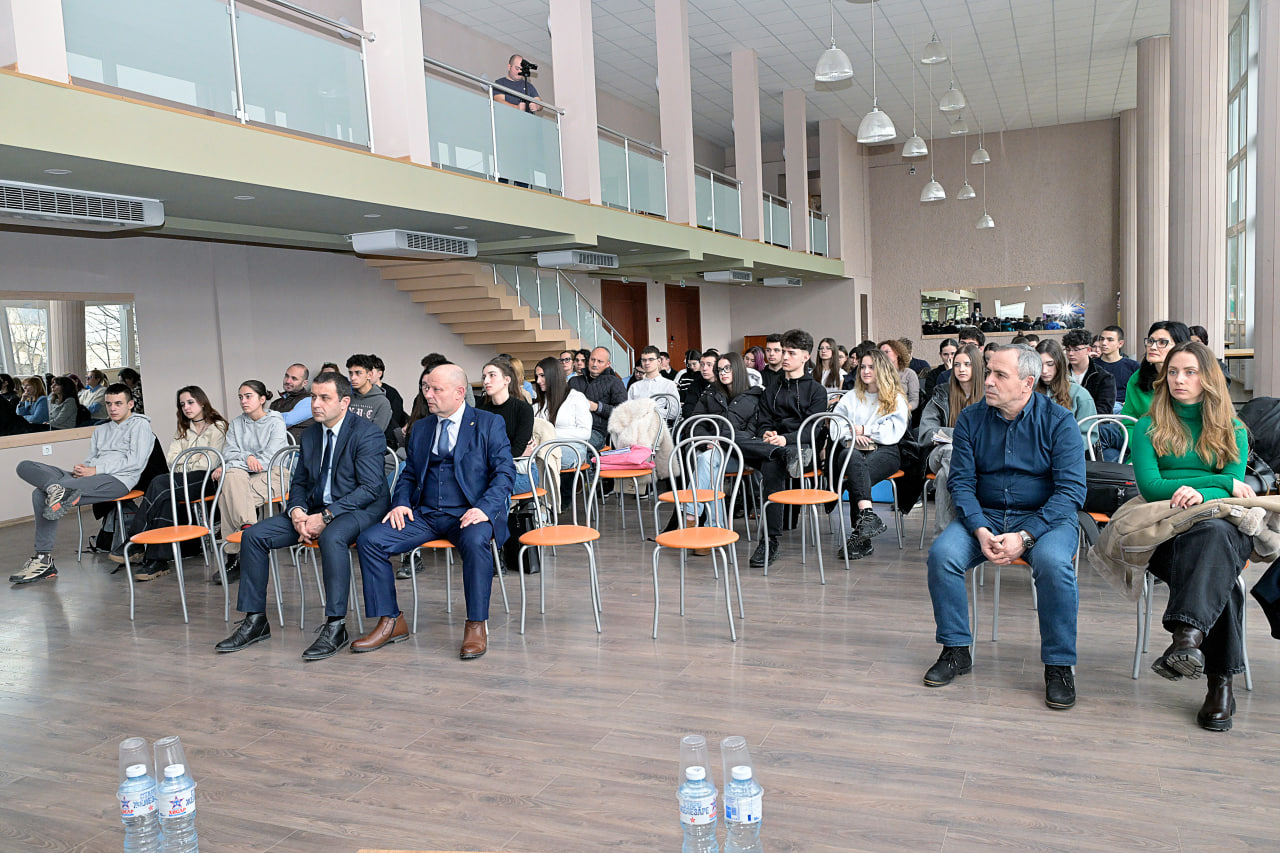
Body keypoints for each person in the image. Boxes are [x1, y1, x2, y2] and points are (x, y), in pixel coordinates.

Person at [923, 345, 1086, 710]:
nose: (988, 382)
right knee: (942, 556)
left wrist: (1025, 536)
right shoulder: (971, 419)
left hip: (1046, 519)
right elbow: (960, 483)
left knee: (1054, 565)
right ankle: (956, 649)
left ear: (1028, 383)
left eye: (1000, 375)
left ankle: (1059, 666)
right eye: (989, 372)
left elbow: (1071, 491)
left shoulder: (1059, 421)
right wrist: (980, 529)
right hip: (987, 515)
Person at [216, 372, 391, 660]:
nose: (316, 404)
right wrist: (296, 511)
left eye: (325, 398)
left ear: (344, 402)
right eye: (313, 397)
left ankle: (336, 625)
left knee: (332, 537)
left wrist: (326, 516)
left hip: (359, 509)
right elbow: (298, 482)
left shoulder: (366, 432)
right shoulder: (311, 434)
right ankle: (255, 620)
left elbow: (370, 489)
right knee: (254, 536)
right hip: (314, 509)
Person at [1130, 341, 1255, 731]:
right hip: (1167, 532)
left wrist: (1203, 491)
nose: (1179, 379)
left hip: (1224, 527)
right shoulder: (1147, 425)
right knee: (1220, 574)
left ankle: (1187, 638)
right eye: (1173, 372)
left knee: (1215, 535)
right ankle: (1219, 683)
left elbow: (1234, 491)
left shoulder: (1233, 428)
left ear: (1208, 379)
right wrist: (1217, 483)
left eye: (1190, 372)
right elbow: (1151, 487)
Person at [355, 364, 515, 660]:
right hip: (425, 514)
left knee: (476, 542)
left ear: (459, 392)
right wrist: (401, 502)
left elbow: (504, 473)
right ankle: (391, 620)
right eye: (426, 388)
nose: (428, 395)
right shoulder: (422, 427)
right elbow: (409, 473)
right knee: (370, 541)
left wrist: (484, 508)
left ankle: (476, 624)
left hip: (469, 513)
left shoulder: (488, 423)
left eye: (436, 389)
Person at [10, 383, 154, 585]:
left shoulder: (140, 425)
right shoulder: (101, 430)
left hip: (117, 480)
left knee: (39, 494)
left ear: (130, 404)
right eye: (109, 404)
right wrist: (83, 469)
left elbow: (136, 462)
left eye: (118, 403)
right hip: (91, 477)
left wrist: (95, 470)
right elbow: (92, 459)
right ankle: (56, 488)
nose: (112, 408)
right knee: (24, 465)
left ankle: (43, 558)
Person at [743, 329, 828, 568]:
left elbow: (813, 430)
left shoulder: (817, 391)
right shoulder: (772, 389)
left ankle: (769, 540)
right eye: (785, 352)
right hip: (775, 447)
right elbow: (763, 422)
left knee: (771, 465)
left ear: (805, 357)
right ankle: (782, 453)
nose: (785, 357)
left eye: (792, 353)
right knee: (740, 442)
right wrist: (767, 433)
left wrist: (786, 439)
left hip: (803, 449)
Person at [128, 386, 229, 581]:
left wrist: (186, 461)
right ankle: (157, 560)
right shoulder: (184, 428)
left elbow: (209, 463)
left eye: (190, 402)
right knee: (165, 495)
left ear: (202, 402)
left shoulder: (218, 427)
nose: (186, 408)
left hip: (207, 480)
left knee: (160, 483)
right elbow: (171, 460)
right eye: (182, 405)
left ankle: (135, 538)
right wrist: (194, 458)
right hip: (183, 479)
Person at [829, 349, 909, 561]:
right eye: (863, 366)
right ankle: (867, 518)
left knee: (857, 477)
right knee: (853, 460)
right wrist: (853, 435)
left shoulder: (895, 398)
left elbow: (894, 431)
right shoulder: (851, 397)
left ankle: (860, 538)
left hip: (885, 450)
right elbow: (836, 427)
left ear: (882, 369)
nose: (865, 371)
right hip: (851, 448)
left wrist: (866, 430)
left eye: (871, 367)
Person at [217, 380, 290, 582]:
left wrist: (239, 461)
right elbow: (228, 453)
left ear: (262, 399)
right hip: (245, 475)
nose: (243, 401)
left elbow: (269, 459)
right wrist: (247, 457)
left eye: (248, 396)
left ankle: (234, 558)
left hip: (275, 474)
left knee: (227, 496)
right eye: (240, 397)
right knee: (232, 476)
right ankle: (249, 532)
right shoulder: (236, 423)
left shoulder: (275, 421)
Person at [918, 343, 984, 533]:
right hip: (940, 454)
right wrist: (962, 436)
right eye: (957, 364)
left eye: (967, 364)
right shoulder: (942, 393)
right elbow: (926, 432)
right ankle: (969, 523)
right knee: (950, 451)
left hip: (978, 456)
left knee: (943, 477)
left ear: (977, 366)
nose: (961, 369)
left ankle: (945, 536)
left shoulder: (989, 395)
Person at [477, 358, 536, 493]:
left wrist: (490, 456)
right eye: (484, 377)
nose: (486, 381)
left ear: (506, 380)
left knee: (493, 486)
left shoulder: (523, 409)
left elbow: (518, 450)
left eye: (492, 375)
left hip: (522, 473)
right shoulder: (481, 409)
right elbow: (477, 449)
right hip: (490, 471)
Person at [1119, 321, 1192, 425]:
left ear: (1180, 346)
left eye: (1162, 342)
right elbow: (1129, 420)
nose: (1153, 347)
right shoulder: (1137, 378)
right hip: (1143, 434)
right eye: (1150, 341)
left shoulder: (1193, 378)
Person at [568, 346, 627, 449]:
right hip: (572, 427)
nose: (595, 364)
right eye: (592, 360)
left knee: (576, 444)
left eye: (600, 361)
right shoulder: (574, 381)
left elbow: (622, 412)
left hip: (599, 432)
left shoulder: (615, 382)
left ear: (608, 364)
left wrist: (596, 407)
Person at [1035, 339, 1097, 436]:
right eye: (1039, 364)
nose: (1044, 370)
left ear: (1059, 363)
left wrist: (1065, 445)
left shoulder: (1080, 394)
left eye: (1050, 364)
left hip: (1069, 445)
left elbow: (1089, 434)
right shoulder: (1028, 391)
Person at [532, 356, 592, 442]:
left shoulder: (576, 398)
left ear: (554, 376)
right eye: (537, 376)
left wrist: (549, 433)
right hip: (544, 446)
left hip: (570, 445)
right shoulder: (539, 403)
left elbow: (585, 432)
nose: (538, 381)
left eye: (542, 376)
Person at [1062, 328, 1116, 416]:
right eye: (1068, 349)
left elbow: (1104, 411)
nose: (1071, 353)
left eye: (1076, 349)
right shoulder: (1061, 375)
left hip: (1092, 422)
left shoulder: (1104, 378)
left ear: (1088, 350)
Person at [627, 345, 680, 424]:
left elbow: (674, 412)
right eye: (644, 360)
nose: (647, 363)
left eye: (651, 359)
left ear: (659, 361)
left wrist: (650, 411)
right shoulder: (634, 387)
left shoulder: (669, 385)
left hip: (659, 425)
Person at [345, 354, 392, 435]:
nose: (352, 378)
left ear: (369, 375)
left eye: (358, 373)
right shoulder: (347, 398)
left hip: (367, 442)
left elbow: (375, 434)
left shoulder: (382, 403)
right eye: (351, 373)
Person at [269, 363, 316, 443]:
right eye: (286, 376)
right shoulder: (276, 403)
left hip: (297, 449)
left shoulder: (309, 400)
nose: (288, 381)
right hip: (275, 448)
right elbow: (266, 426)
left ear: (304, 383)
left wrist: (266, 417)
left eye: (294, 378)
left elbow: (288, 420)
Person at [878, 339, 920, 412]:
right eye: (881, 353)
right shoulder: (877, 374)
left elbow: (914, 401)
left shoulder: (909, 374)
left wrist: (902, 410)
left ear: (897, 353)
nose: (883, 355)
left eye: (887, 352)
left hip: (903, 412)